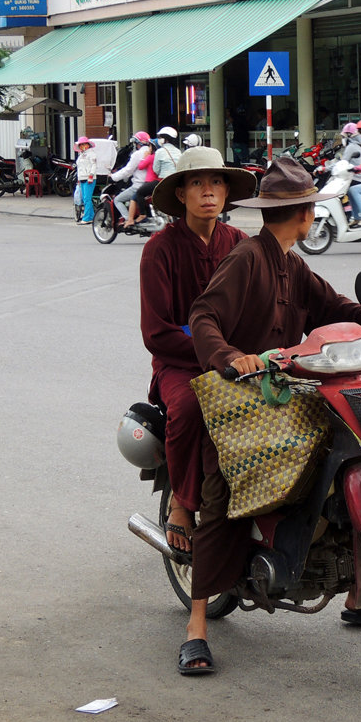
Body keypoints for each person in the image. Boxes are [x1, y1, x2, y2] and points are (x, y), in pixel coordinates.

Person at [181, 156, 361, 676]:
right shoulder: (247, 259)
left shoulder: (291, 261)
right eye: (313, 210)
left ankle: (359, 594)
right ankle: (196, 626)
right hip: (240, 396)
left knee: (343, 455)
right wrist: (230, 358)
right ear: (305, 214)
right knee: (225, 496)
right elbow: (202, 316)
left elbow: (334, 305)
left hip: (287, 389)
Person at [138, 147, 253, 564]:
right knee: (189, 409)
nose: (208, 192)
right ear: (181, 194)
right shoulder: (160, 249)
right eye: (197, 183)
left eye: (217, 182)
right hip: (179, 364)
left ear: (226, 193)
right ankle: (183, 504)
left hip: (237, 360)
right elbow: (156, 332)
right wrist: (214, 353)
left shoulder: (240, 243)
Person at [110, 131, 151, 224]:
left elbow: (128, 170)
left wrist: (114, 177)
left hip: (139, 185)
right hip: (150, 184)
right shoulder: (152, 152)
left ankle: (128, 219)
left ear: (137, 143)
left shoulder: (137, 154)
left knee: (117, 200)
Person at [72, 136, 97, 225]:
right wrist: (78, 179)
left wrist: (91, 175)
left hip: (89, 178)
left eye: (84, 144)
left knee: (87, 198)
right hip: (82, 178)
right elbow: (79, 168)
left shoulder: (91, 154)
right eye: (81, 144)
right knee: (84, 198)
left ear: (88, 144)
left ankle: (87, 218)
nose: (82, 146)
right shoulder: (81, 155)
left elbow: (94, 165)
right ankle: (91, 216)